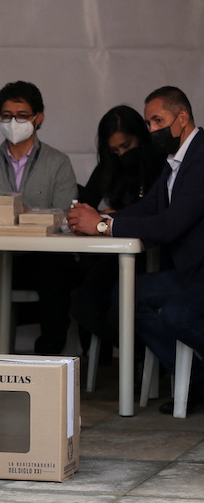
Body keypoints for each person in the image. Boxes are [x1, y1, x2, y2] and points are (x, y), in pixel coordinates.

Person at [68, 86, 204, 414]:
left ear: (182, 117)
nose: (153, 129)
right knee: (127, 296)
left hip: (199, 273)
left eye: (159, 121)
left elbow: (169, 225)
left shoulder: (200, 158)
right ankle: (196, 381)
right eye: (149, 123)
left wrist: (103, 227)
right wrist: (101, 219)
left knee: (176, 315)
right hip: (188, 273)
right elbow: (149, 208)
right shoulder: (176, 160)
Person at [0, 81, 78, 355]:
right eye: (6, 116)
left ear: (38, 118)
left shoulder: (58, 162)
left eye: (22, 116)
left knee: (57, 273)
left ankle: (47, 361)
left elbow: (64, 218)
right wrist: (2, 211)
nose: (13, 123)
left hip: (39, 258)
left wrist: (20, 213)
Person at [71, 105, 166, 363]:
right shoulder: (110, 165)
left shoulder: (160, 164)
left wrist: (110, 218)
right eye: (114, 150)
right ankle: (138, 357)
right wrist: (86, 217)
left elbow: (155, 213)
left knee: (116, 303)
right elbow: (85, 205)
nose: (122, 154)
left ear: (140, 137)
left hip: (153, 254)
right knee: (85, 301)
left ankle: (145, 358)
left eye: (126, 146)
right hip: (117, 254)